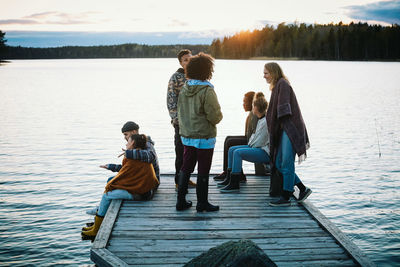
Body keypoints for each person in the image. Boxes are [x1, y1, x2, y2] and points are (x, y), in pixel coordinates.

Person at [81, 134, 159, 239]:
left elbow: (124, 174)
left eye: (128, 141)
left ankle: (96, 229)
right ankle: (97, 220)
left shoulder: (134, 157)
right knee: (111, 183)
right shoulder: (137, 155)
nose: (126, 144)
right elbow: (126, 171)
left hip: (142, 193)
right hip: (143, 189)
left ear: (133, 143)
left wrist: (111, 186)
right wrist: (111, 167)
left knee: (107, 195)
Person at [176, 52, 223, 212]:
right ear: (207, 71)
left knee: (186, 167)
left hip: (187, 136)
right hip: (204, 136)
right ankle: (202, 203)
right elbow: (215, 117)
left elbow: (180, 112)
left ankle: (181, 201)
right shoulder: (207, 91)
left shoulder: (184, 88)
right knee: (203, 169)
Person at [85, 121, 160, 215]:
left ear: (133, 132)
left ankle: (101, 211)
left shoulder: (146, 144)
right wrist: (112, 167)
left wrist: (128, 153)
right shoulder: (136, 148)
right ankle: (101, 208)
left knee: (112, 185)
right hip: (140, 178)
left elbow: (150, 156)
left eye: (126, 135)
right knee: (111, 180)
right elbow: (129, 168)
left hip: (147, 183)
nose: (125, 138)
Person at [264, 62, 312, 206]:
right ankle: (302, 189)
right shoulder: (278, 85)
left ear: (273, 72)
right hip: (283, 128)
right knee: (278, 162)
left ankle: (286, 197)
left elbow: (284, 110)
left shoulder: (283, 84)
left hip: (290, 128)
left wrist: (275, 126)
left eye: (266, 73)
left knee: (286, 162)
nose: (264, 76)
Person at [218, 92, 270, 193]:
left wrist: (250, 144)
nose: (252, 108)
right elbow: (254, 137)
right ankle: (229, 177)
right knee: (232, 149)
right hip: (257, 147)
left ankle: (235, 183)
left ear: (256, 107)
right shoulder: (260, 120)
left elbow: (258, 141)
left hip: (263, 151)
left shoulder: (264, 122)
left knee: (238, 152)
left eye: (253, 106)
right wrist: (251, 143)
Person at [166, 49, 196, 189]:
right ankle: (179, 181)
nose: (189, 62)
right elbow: (171, 100)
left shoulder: (196, 76)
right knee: (180, 151)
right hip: (181, 122)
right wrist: (175, 119)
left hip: (195, 122)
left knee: (192, 152)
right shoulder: (176, 77)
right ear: (180, 62)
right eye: (185, 60)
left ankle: (187, 178)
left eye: (190, 59)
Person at [213, 91, 258, 182]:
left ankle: (234, 174)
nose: (243, 104)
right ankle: (228, 170)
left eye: (245, 102)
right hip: (249, 139)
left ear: (252, 103)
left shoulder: (255, 115)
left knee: (230, 142)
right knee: (228, 138)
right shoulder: (251, 114)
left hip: (253, 142)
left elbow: (254, 135)